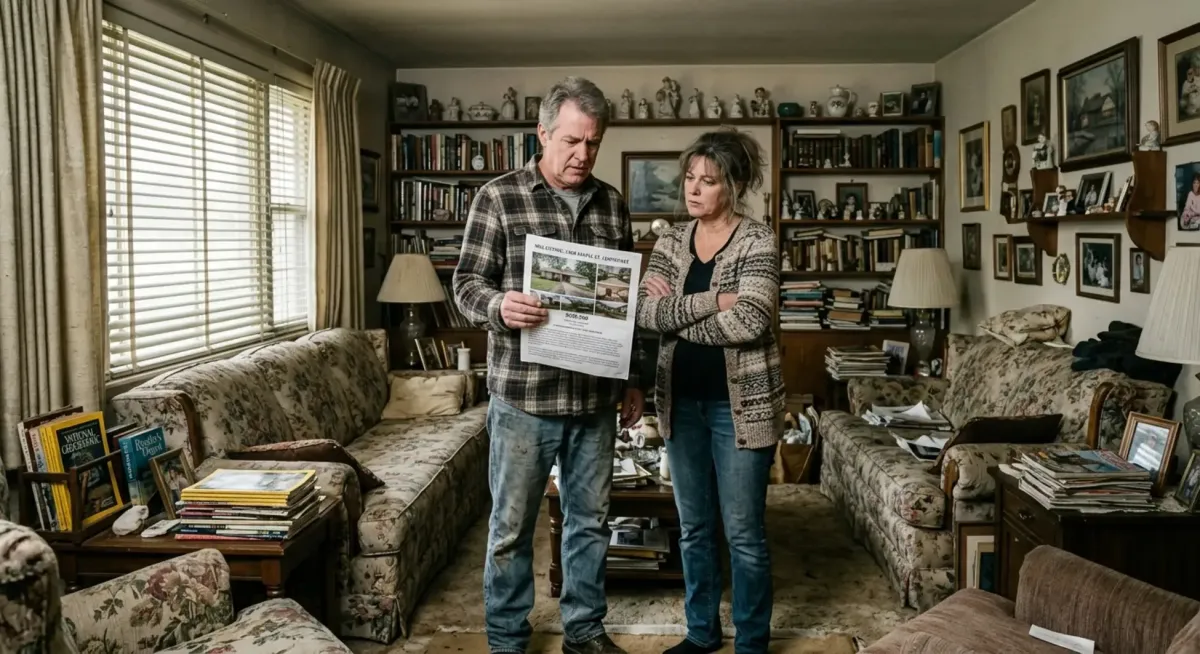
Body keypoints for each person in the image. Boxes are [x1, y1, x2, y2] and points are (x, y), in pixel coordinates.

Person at [454, 76, 645, 654]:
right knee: (510, 530)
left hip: (594, 399)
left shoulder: (612, 203)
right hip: (523, 399)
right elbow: (463, 286)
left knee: (590, 525)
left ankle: (583, 632)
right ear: (542, 133)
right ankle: (508, 638)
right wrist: (498, 305)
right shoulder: (497, 196)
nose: (582, 155)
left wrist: (633, 377)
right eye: (570, 141)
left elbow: (625, 304)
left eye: (593, 143)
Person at [635, 128, 785, 654]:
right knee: (695, 529)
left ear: (735, 185)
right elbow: (647, 314)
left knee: (743, 534)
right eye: (689, 179)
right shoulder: (670, 241)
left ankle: (751, 644)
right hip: (681, 405)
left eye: (709, 181)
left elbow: (749, 320)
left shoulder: (758, 240)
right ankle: (700, 635)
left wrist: (683, 309)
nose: (693, 190)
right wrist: (714, 299)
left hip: (742, 409)